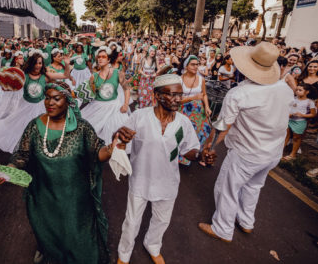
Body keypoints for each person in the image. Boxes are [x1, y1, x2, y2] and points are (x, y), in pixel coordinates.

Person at [0, 81, 134, 264]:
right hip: (44, 196)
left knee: (77, 237)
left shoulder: (82, 128)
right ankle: (48, 250)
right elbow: (22, 154)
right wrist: (8, 171)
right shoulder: (34, 126)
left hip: (75, 200)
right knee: (48, 232)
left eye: (56, 99)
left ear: (68, 102)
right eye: (47, 98)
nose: (50, 102)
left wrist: (115, 144)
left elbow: (98, 153)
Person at [198, 42, 294, 243]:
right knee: (253, 186)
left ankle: (223, 228)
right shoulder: (284, 88)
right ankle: (246, 221)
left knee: (227, 188)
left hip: (247, 152)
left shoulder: (240, 93)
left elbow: (223, 125)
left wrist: (210, 145)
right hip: (272, 152)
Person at [116, 73, 214, 264]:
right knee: (132, 222)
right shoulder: (139, 117)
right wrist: (119, 136)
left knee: (161, 220)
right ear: (157, 95)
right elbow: (120, 140)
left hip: (168, 182)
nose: (178, 99)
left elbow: (189, 150)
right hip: (140, 180)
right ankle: (124, 254)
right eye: (172, 94)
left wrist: (200, 155)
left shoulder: (183, 122)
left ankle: (152, 245)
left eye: (180, 94)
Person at [0, 52, 71, 153]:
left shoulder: (45, 76)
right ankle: (23, 150)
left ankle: (37, 151)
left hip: (41, 107)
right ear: (31, 63)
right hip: (25, 106)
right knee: (21, 127)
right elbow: (8, 79)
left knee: (40, 129)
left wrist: (67, 64)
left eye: (40, 63)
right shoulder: (24, 76)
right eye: (36, 63)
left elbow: (65, 75)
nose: (38, 65)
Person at [81, 46, 131, 148]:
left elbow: (127, 89)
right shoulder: (94, 76)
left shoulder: (117, 73)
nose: (100, 58)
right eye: (99, 57)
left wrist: (125, 105)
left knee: (116, 132)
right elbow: (88, 94)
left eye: (103, 56)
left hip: (114, 106)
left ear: (108, 59)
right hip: (98, 106)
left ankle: (111, 152)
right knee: (90, 131)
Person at [179, 56, 212, 166]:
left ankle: (196, 154)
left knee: (202, 132)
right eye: (193, 64)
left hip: (199, 111)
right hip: (183, 111)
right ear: (186, 66)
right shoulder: (179, 79)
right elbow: (177, 99)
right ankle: (182, 156)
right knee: (184, 134)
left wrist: (207, 107)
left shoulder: (201, 79)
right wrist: (193, 98)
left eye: (197, 64)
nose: (196, 66)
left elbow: (205, 94)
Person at [282, 83, 317, 161]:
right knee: (285, 136)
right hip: (290, 120)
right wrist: (288, 114)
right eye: (296, 90)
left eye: (300, 90)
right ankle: (279, 152)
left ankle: (293, 154)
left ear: (307, 92)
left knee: (296, 138)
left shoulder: (309, 102)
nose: (297, 91)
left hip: (300, 122)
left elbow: (313, 114)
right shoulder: (293, 98)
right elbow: (288, 108)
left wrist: (302, 115)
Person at [0, 51, 25, 121]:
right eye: (20, 58)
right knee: (8, 106)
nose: (22, 60)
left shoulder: (24, 70)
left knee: (17, 108)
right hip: (10, 93)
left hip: (20, 92)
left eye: (23, 58)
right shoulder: (10, 70)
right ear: (16, 60)